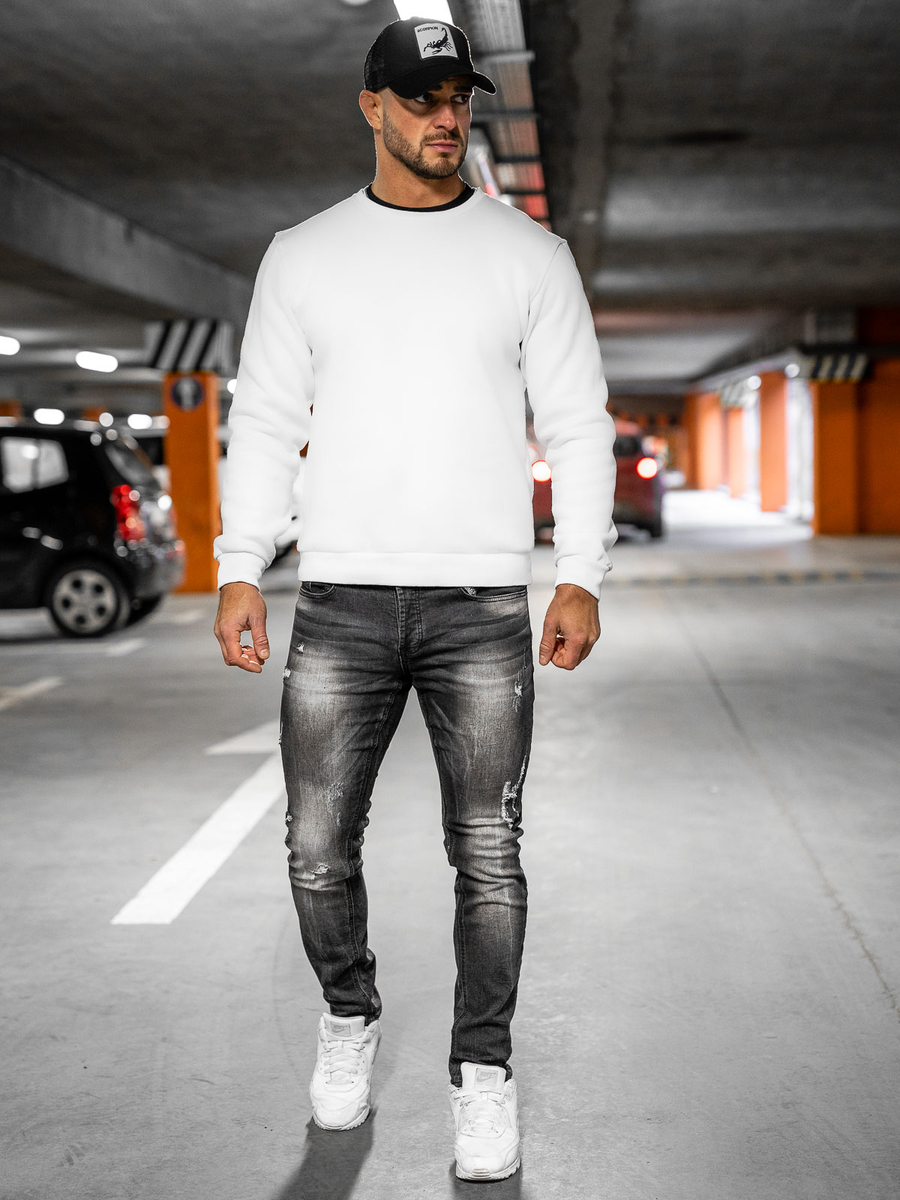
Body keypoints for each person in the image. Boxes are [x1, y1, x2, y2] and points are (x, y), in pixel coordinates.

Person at [213, 15, 617, 1183]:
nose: (447, 116)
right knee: (316, 845)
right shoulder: (303, 255)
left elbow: (579, 425)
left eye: (459, 98)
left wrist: (580, 572)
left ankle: (482, 1073)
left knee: (488, 852)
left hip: (480, 605)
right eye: (422, 97)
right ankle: (350, 1015)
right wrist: (241, 562)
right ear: (372, 107)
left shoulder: (529, 257)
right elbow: (264, 422)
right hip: (338, 598)